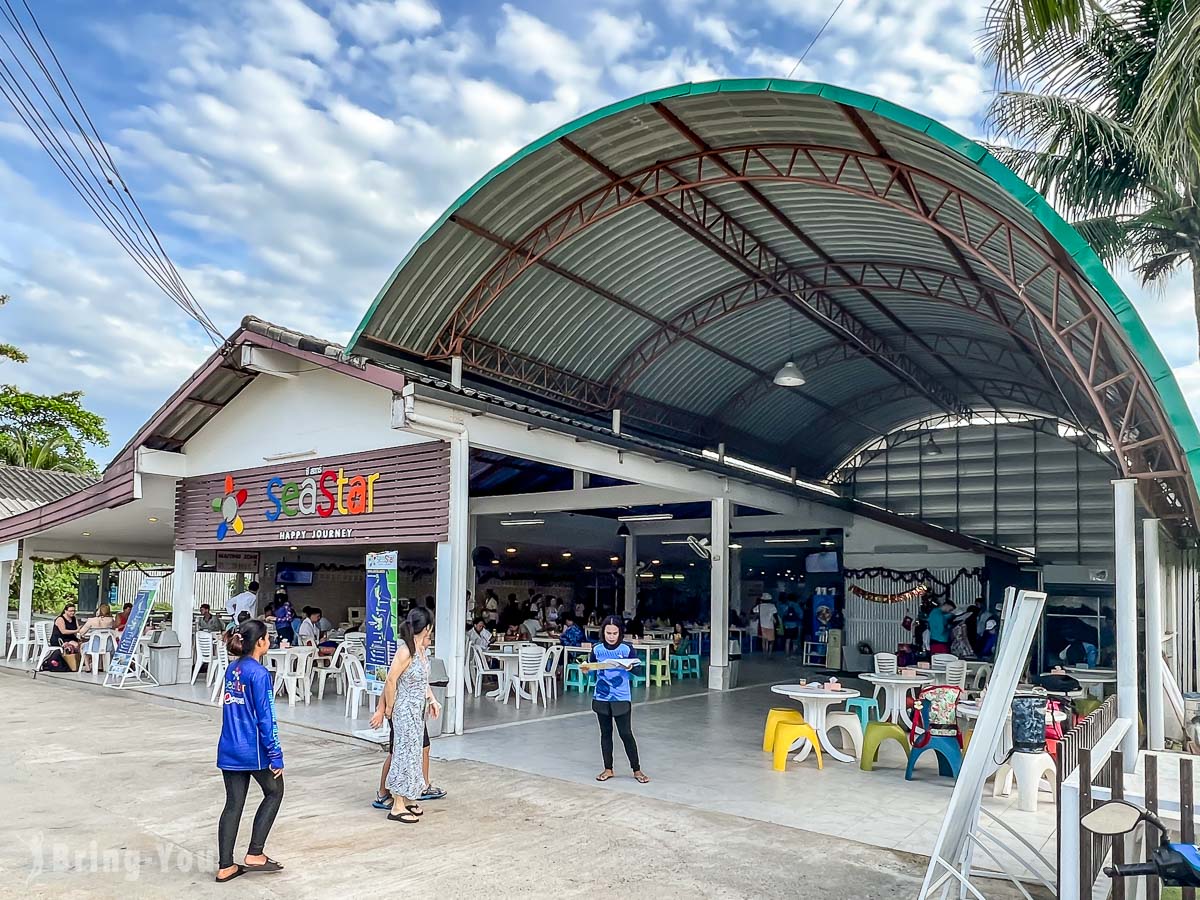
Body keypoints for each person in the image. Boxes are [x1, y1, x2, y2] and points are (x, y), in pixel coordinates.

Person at [215, 618, 285, 883]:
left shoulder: (232, 669)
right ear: (260, 642)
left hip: (229, 746)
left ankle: (225, 866)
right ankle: (255, 852)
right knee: (275, 791)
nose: (270, 641)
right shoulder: (259, 673)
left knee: (233, 804)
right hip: (253, 750)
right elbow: (266, 717)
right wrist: (275, 753)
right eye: (268, 637)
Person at [378, 607, 442, 824]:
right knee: (403, 754)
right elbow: (390, 680)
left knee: (414, 754)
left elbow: (423, 682)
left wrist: (432, 700)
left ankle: (407, 797)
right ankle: (397, 804)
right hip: (404, 709)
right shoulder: (406, 651)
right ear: (425, 628)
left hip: (417, 710)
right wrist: (388, 708)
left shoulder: (421, 651)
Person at [583, 616, 649, 784]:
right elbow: (591, 669)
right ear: (603, 632)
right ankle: (608, 769)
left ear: (620, 633)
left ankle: (637, 769)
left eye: (615, 633)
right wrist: (585, 670)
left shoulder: (627, 649)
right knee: (605, 734)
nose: (611, 636)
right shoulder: (597, 649)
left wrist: (631, 667)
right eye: (608, 633)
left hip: (621, 697)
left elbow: (639, 671)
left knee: (626, 733)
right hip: (601, 697)